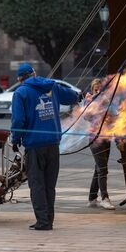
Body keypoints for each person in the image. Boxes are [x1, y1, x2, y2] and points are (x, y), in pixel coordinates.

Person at [11, 64, 82, 231]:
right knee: (50, 185)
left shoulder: (20, 92)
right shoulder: (52, 85)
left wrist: (15, 139)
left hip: (35, 145)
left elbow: (18, 121)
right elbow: (73, 97)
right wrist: (82, 96)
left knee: (37, 184)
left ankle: (43, 221)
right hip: (53, 143)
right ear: (34, 74)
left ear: (20, 79)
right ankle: (48, 219)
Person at [85, 79, 115, 210]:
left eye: (100, 89)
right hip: (94, 138)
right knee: (103, 169)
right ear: (92, 90)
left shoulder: (107, 101)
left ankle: (92, 198)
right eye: (95, 89)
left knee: (99, 168)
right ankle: (104, 198)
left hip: (106, 137)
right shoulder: (89, 100)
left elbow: (114, 117)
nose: (97, 91)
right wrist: (95, 103)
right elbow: (87, 116)